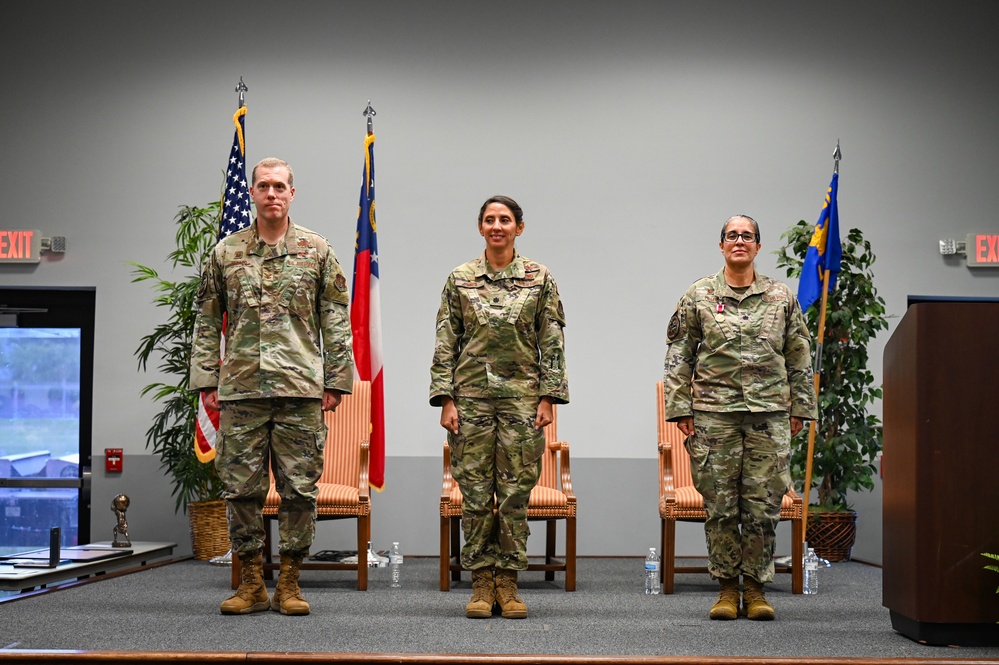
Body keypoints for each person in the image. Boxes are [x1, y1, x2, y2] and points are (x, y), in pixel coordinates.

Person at [190, 157, 354, 616]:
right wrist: (205, 379)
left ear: (292, 193)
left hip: (301, 388)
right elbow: (206, 320)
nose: (272, 194)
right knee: (241, 490)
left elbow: (335, 320)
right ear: (253, 193)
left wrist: (336, 381)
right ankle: (250, 583)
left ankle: (290, 582)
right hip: (241, 389)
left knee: (299, 490)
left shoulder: (317, 250)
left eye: (280, 186)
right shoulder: (226, 253)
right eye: (263, 186)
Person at [662, 214, 816, 621]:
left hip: (769, 416)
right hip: (714, 416)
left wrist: (801, 407)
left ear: (758, 247)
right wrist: (679, 410)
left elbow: (800, 354)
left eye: (747, 236)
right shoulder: (698, 295)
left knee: (764, 506)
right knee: (721, 506)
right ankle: (727, 589)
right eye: (732, 235)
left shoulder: (780, 297)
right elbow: (679, 357)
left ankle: (757, 588)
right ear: (721, 245)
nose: (739, 241)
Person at [430, 195, 569, 619]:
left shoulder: (538, 277)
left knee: (513, 494)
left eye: (505, 220)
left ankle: (508, 583)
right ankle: (480, 583)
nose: (497, 226)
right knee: (473, 493)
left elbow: (552, 341)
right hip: (470, 400)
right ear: (480, 228)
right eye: (489, 220)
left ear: (519, 228)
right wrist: (445, 398)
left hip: (522, 401)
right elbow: (445, 339)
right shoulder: (460, 278)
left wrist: (549, 396)